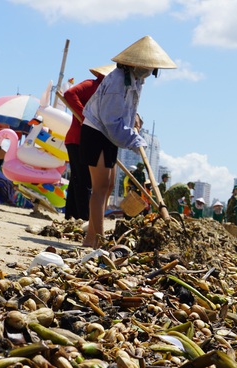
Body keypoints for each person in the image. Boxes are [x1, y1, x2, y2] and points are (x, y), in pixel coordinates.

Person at [79, 35, 177, 248]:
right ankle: (99, 239)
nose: (149, 72)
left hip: (106, 133)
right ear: (136, 63)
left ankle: (90, 239)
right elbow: (111, 121)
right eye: (148, 67)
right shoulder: (116, 80)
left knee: (108, 185)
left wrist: (134, 117)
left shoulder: (133, 79)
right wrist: (135, 140)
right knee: (100, 187)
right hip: (96, 131)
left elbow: (125, 109)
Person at [63, 64, 115, 221]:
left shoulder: (109, 94)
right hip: (78, 138)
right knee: (84, 178)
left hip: (86, 139)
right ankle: (84, 216)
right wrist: (85, 117)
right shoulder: (92, 85)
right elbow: (69, 93)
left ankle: (71, 215)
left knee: (78, 178)